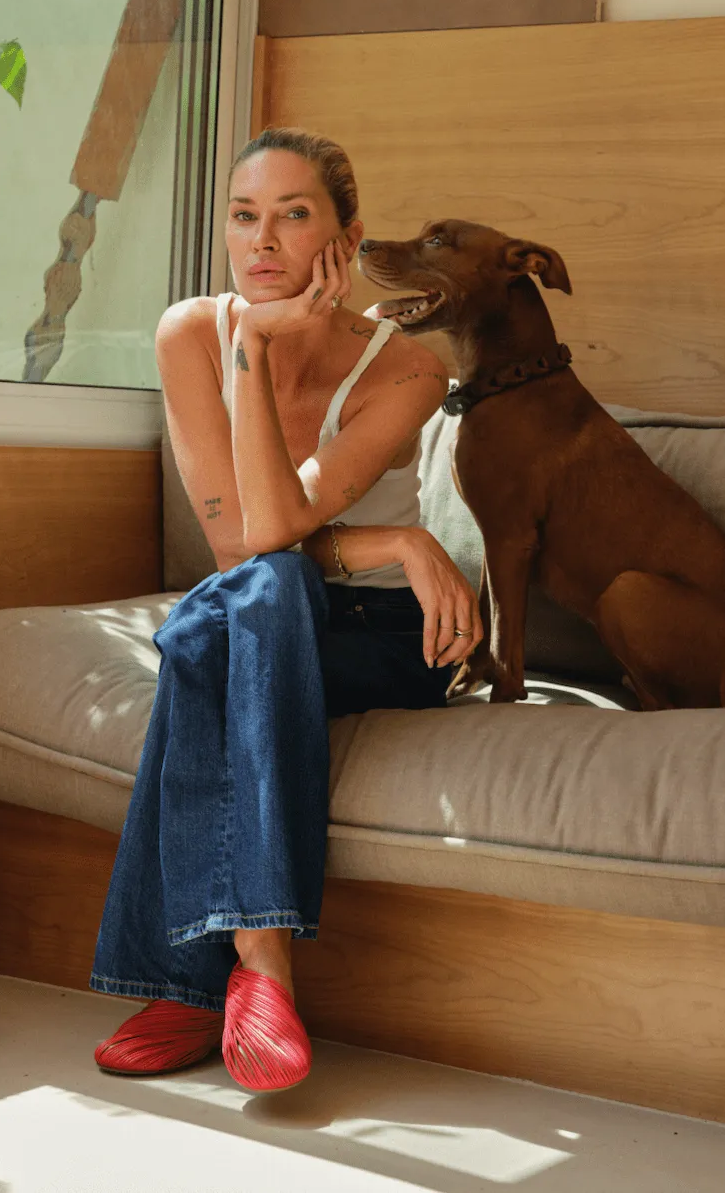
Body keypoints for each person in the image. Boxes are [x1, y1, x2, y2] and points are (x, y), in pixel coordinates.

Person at [91, 127, 482, 1093]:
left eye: (293, 215)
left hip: (388, 636)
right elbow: (241, 546)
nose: (262, 241)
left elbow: (263, 533)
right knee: (252, 600)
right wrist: (395, 538)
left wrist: (261, 348)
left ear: (343, 241)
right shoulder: (192, 333)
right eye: (243, 216)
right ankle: (262, 968)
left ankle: (188, 987)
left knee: (208, 630)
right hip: (267, 605)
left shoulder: (408, 370)